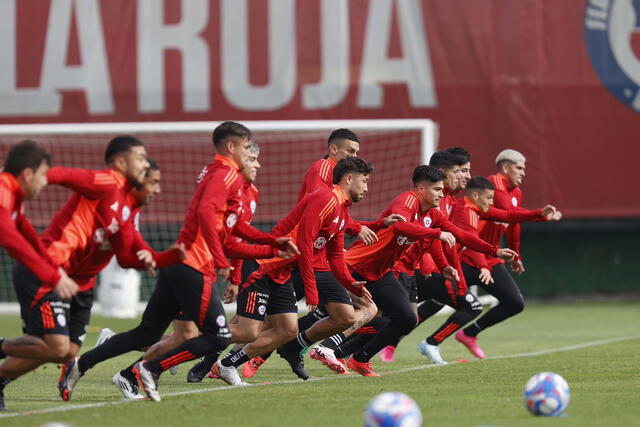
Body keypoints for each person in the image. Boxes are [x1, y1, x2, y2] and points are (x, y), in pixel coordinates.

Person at [57, 121, 296, 402]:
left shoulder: (230, 180)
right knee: (218, 336)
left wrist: (269, 246)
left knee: (149, 333)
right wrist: (221, 259)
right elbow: (207, 214)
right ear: (231, 147)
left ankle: (83, 365)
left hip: (182, 263)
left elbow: (229, 237)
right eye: (247, 150)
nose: (253, 159)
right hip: (193, 265)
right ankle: (148, 368)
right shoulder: (227, 174)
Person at [207, 157, 375, 386]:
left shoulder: (341, 209)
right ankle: (189, 340)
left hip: (282, 272)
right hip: (263, 266)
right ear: (349, 179)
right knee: (249, 330)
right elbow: (305, 246)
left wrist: (349, 282)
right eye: (364, 182)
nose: (366, 188)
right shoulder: (326, 199)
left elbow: (335, 256)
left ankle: (227, 365)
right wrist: (312, 291)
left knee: (287, 330)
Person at [336, 165, 517, 376]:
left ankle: (358, 359)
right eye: (437, 189)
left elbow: (461, 235)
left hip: (384, 271)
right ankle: (330, 348)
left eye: (442, 189)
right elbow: (400, 227)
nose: (441, 193)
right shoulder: (407, 201)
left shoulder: (433, 212)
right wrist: (435, 234)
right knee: (347, 315)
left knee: (405, 318)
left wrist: (494, 251)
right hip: (364, 265)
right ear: (421, 189)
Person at [454, 150, 562, 358]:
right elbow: (508, 213)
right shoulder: (492, 184)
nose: (523, 173)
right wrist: (540, 215)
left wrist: (516, 254)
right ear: (505, 167)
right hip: (471, 254)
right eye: (519, 168)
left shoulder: (516, 192)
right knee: (438, 295)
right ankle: (393, 337)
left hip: (492, 256)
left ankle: (469, 333)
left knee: (514, 303)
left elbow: (513, 222)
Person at [0, 141, 78, 410]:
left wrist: (52, 268)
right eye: (44, 175)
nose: (46, 182)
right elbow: (10, 238)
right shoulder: (3, 191)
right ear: (28, 175)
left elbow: (28, 235)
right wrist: (53, 276)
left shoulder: (12, 194)